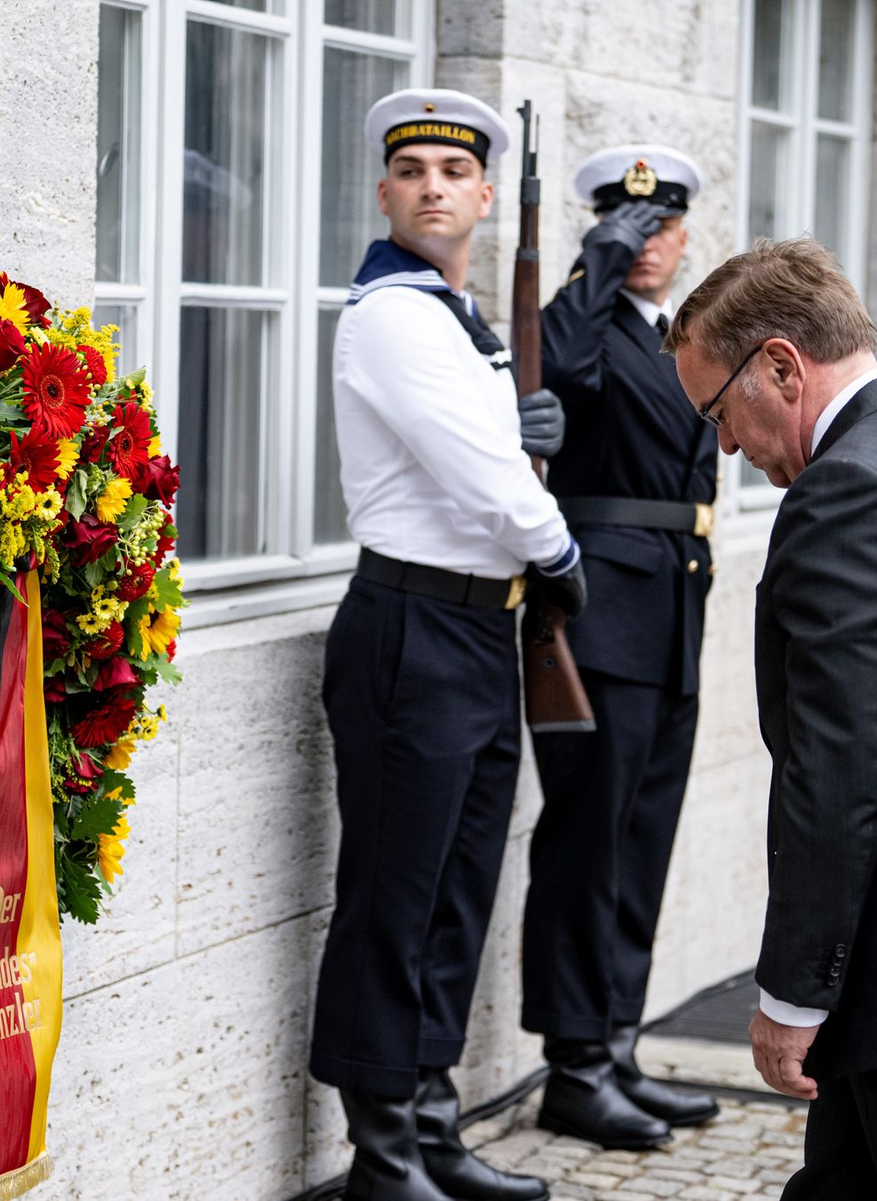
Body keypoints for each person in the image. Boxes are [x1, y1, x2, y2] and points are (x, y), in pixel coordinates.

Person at [309, 89, 585, 1201]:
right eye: (410, 168)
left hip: (480, 629)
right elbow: (483, 483)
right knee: (393, 895)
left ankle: (431, 1127)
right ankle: (383, 1156)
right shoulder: (392, 314)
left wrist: (525, 425)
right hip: (411, 627)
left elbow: (492, 462)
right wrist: (561, 548)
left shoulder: (460, 323)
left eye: (451, 172)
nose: (432, 185)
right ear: (383, 193)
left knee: (456, 894)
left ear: (482, 197)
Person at [668, 236, 877, 1200]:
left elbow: (838, 770)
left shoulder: (850, 489)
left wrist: (792, 993)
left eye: (717, 410)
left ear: (783, 366)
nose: (722, 446)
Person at [521, 145, 720, 1149]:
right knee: (586, 844)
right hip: (599, 618)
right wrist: (593, 266)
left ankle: (618, 1045)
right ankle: (573, 1064)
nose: (644, 244)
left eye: (658, 227)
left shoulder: (679, 339)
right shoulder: (587, 325)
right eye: (624, 226)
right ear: (600, 230)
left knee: (641, 843)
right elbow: (550, 369)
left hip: (675, 613)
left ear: (686, 237)